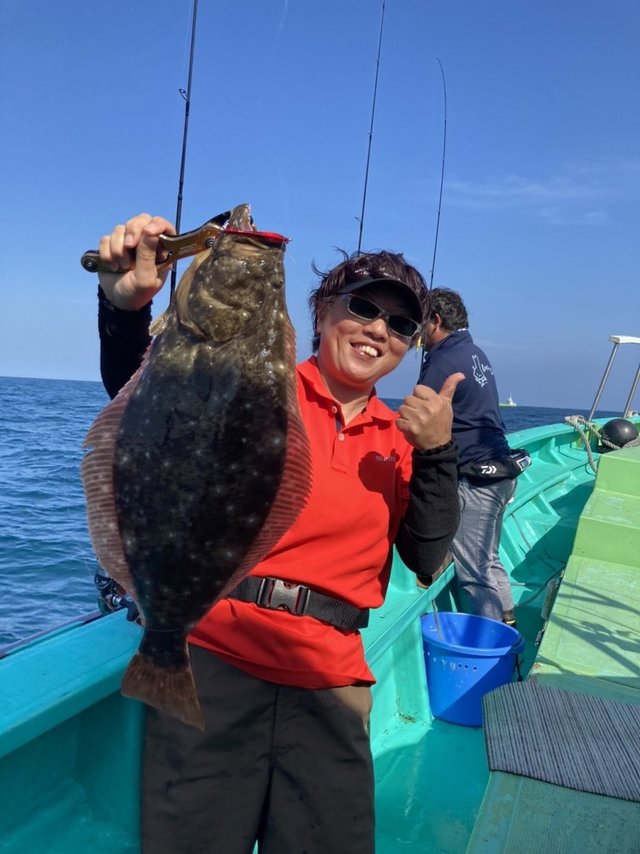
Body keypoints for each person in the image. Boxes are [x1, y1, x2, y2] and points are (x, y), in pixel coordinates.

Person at [95, 212, 463, 854]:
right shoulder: (258, 385)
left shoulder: (401, 437)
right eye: (363, 306)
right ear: (320, 313)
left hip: (330, 678)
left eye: (400, 324)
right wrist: (122, 312)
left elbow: (428, 558)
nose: (379, 328)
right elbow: (155, 406)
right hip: (214, 658)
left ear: (410, 345)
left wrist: (435, 454)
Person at [419, 287, 530, 625]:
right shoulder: (475, 352)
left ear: (435, 321)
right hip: (501, 473)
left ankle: (490, 646)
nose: (416, 332)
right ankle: (507, 623)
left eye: (420, 323)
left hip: (476, 479)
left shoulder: (442, 360)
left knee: (474, 575)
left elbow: (421, 418)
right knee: (489, 561)